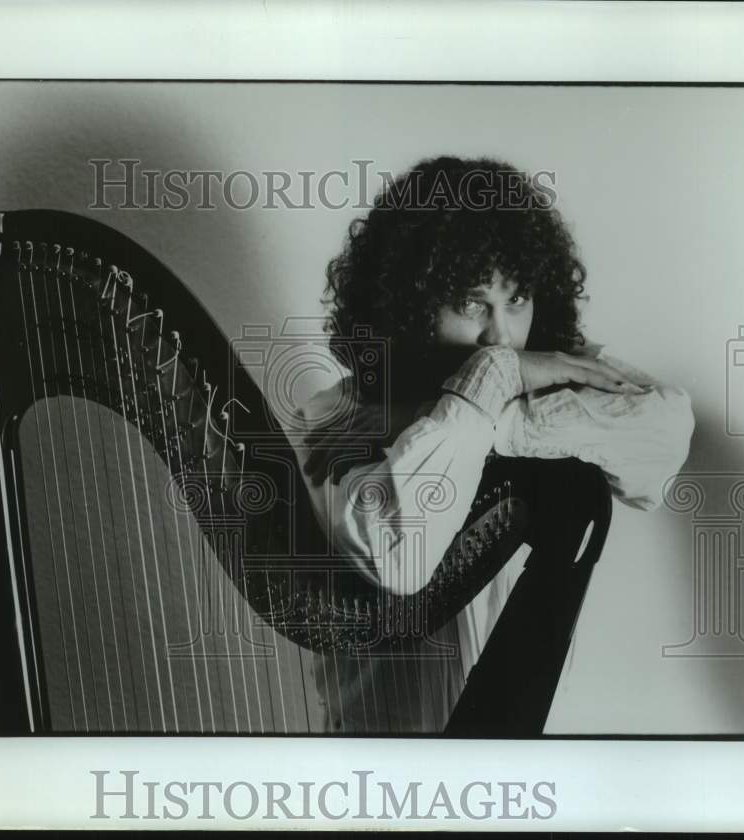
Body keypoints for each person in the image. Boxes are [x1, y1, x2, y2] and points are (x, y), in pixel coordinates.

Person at [288, 156, 695, 734]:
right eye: (472, 304)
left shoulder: (538, 376)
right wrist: (492, 383)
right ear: (407, 303)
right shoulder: (328, 422)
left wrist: (494, 412)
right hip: (375, 760)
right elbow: (400, 558)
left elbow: (665, 430)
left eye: (518, 300)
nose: (501, 337)